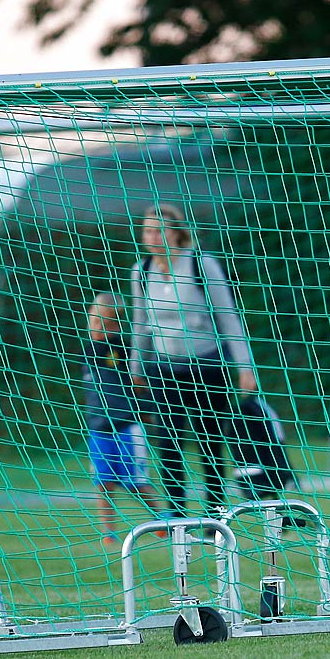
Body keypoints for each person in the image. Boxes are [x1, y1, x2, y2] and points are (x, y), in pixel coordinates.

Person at [127, 203, 258, 518]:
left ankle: (216, 517)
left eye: (160, 230)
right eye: (148, 230)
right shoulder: (141, 270)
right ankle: (177, 519)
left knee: (210, 445)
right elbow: (141, 323)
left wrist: (245, 367)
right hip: (164, 370)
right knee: (169, 445)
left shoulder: (201, 264)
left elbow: (228, 318)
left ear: (176, 233)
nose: (153, 236)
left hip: (207, 366)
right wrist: (136, 367)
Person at [81, 292, 166, 545]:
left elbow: (140, 384)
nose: (96, 327)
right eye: (93, 321)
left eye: (103, 323)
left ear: (116, 325)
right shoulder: (87, 351)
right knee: (103, 482)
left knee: (135, 482)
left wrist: (147, 408)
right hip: (98, 427)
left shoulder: (126, 349)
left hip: (127, 426)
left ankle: (163, 520)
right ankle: (108, 533)